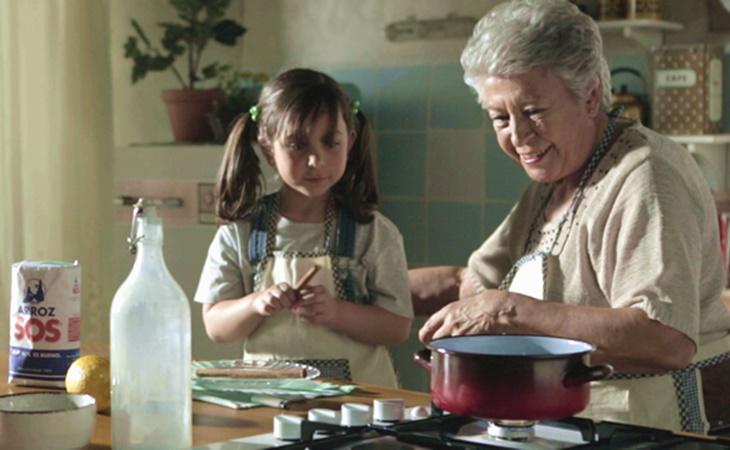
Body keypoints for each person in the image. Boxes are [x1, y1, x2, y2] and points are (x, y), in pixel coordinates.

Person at [410, 0, 730, 433]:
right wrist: (359, 285)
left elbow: (665, 338)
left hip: (646, 427)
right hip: (570, 422)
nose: (518, 136)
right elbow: (474, 283)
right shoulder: (558, 178)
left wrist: (508, 312)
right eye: (499, 117)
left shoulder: (647, 175)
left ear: (591, 94)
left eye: (533, 111)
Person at [194, 68, 413, 387]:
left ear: (349, 142)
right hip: (269, 404)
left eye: (330, 143)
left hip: (356, 408)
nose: (316, 160)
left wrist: (337, 312)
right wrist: (255, 304)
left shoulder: (374, 232)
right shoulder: (239, 233)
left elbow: (397, 328)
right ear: (268, 147)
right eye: (298, 145)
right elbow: (216, 326)